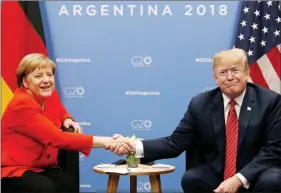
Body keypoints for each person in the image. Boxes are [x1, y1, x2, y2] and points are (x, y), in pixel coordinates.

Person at [106, 48, 281, 193]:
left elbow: (274, 150)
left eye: (235, 70)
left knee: (272, 180)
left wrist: (238, 179)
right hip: (218, 174)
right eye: (223, 72)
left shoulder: (270, 101)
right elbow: (175, 143)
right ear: (215, 77)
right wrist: (133, 146)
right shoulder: (200, 103)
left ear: (247, 72)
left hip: (256, 174)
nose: (230, 77)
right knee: (193, 178)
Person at [1, 53, 130, 193]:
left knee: (67, 183)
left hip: (41, 166)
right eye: (38, 76)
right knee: (45, 188)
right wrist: (108, 141)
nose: (46, 80)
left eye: (49, 75)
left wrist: (67, 118)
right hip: (16, 169)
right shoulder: (22, 104)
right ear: (25, 82)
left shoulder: (48, 94)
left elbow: (60, 111)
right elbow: (57, 138)